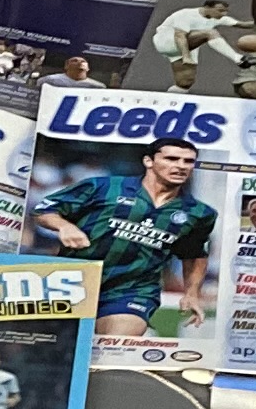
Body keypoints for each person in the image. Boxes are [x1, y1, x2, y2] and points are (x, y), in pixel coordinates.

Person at [35, 134, 217, 347]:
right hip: (74, 281)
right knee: (50, 348)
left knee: (116, 344)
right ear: (148, 161)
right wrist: (64, 226)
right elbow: (43, 210)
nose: (181, 166)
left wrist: (192, 293)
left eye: (188, 161)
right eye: (171, 159)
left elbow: (195, 254)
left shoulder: (199, 213)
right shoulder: (103, 187)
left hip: (133, 290)